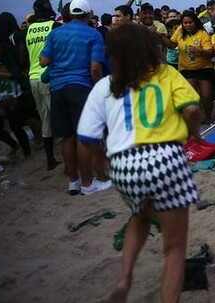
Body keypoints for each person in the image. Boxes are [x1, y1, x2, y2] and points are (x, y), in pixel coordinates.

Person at [77, 23, 201, 303]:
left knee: (140, 216)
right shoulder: (166, 74)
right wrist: (195, 132)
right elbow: (192, 108)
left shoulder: (105, 86)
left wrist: (100, 159)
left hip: (123, 165)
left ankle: (124, 280)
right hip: (165, 158)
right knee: (174, 248)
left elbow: (86, 135)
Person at [40, 0, 111, 195]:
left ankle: (74, 182)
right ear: (88, 15)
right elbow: (95, 68)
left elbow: (44, 60)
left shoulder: (55, 33)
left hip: (57, 89)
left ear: (69, 14)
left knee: (67, 137)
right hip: (80, 87)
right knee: (84, 137)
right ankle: (88, 184)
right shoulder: (93, 34)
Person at [22, 0, 61, 170]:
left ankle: (50, 159)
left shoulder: (28, 30)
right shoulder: (54, 27)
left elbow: (23, 57)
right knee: (61, 117)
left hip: (33, 78)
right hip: (50, 76)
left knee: (45, 119)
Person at [167, 10, 215, 122]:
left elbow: (210, 53)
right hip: (186, 69)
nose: (188, 25)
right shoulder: (179, 31)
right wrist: (160, 37)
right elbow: (171, 45)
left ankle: (208, 116)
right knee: (192, 96)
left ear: (195, 22)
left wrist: (200, 51)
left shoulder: (203, 33)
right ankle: (195, 118)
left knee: (206, 95)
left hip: (204, 68)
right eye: (185, 23)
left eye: (190, 22)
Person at [0, 26, 31, 158]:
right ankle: (13, 145)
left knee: (16, 126)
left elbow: (16, 74)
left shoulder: (6, 53)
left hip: (12, 94)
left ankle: (27, 153)